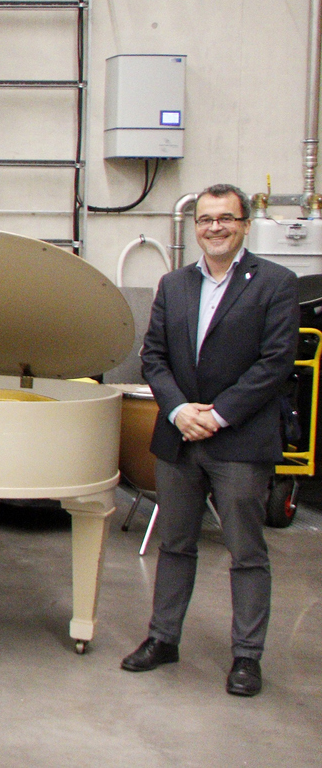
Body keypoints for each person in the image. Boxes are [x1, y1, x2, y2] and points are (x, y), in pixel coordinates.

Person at [123, 183, 299, 697]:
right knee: (175, 544)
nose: (214, 227)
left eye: (225, 218)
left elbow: (275, 364)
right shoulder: (174, 284)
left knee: (246, 552)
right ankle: (163, 638)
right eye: (204, 219)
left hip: (239, 441)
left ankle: (246, 657)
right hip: (179, 438)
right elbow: (153, 355)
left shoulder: (275, 283)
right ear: (193, 226)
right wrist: (179, 410)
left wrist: (217, 415)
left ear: (244, 224)